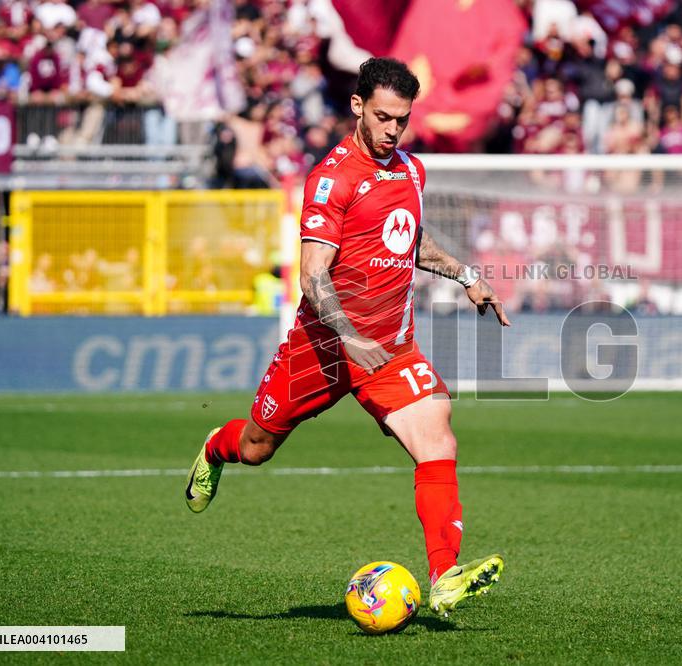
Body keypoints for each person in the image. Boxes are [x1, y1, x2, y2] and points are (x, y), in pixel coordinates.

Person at [184, 58, 510, 615]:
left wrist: (466, 275)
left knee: (438, 439)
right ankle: (217, 446)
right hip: (322, 348)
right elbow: (312, 276)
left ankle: (444, 575)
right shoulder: (331, 178)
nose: (391, 130)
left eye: (401, 121)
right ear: (357, 105)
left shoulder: (411, 170)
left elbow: (407, 237)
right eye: (382, 117)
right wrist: (350, 337)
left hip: (391, 348)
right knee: (257, 448)